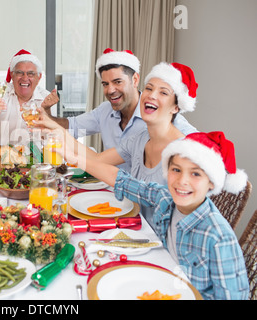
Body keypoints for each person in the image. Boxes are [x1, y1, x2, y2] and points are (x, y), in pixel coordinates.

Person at [61, 131, 250, 300]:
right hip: (158, 283)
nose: (182, 181)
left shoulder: (219, 237)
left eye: (196, 174)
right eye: (176, 170)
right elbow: (120, 180)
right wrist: (75, 159)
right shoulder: (165, 199)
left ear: (211, 183)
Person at [38, 62, 200, 230]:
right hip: (135, 225)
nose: (151, 95)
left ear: (176, 107)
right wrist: (60, 134)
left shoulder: (185, 150)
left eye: (163, 92)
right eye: (149, 89)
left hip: (166, 240)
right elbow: (99, 160)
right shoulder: (140, 138)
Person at [40, 48, 197, 171]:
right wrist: (47, 117)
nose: (110, 90)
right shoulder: (136, 137)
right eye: (105, 84)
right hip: (113, 188)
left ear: (135, 80)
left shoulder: (178, 130)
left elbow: (203, 150)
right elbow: (97, 158)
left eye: (117, 82)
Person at [0, 49, 58, 146]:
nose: (25, 78)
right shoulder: (0, 93)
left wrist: (47, 111)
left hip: (34, 158)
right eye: (19, 73)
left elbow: (51, 136)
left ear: (39, 77)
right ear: (12, 75)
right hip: (0, 157)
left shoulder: (46, 98)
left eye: (30, 73)